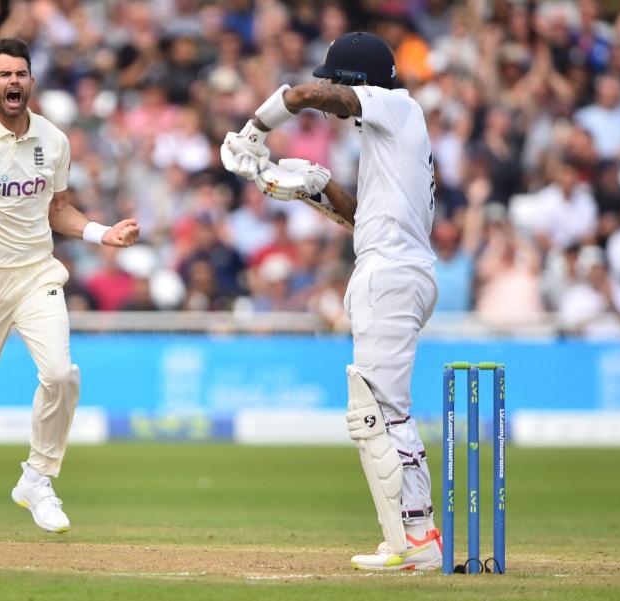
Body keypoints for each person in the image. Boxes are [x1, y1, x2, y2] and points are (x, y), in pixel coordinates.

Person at [221, 32, 441, 571]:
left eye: (333, 80)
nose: (327, 94)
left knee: (382, 413)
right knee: (380, 410)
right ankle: (410, 536)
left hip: (389, 275)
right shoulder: (389, 132)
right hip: (394, 267)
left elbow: (305, 96)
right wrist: (313, 188)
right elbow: (362, 219)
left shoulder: (394, 105)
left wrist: (255, 129)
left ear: (355, 83)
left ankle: (418, 540)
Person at [0, 38, 139, 541]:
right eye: (4, 75)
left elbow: (58, 210)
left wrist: (101, 233)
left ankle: (37, 478)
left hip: (35, 275)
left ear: (31, 81)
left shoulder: (54, 141)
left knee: (62, 374)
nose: (13, 82)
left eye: (21, 73)